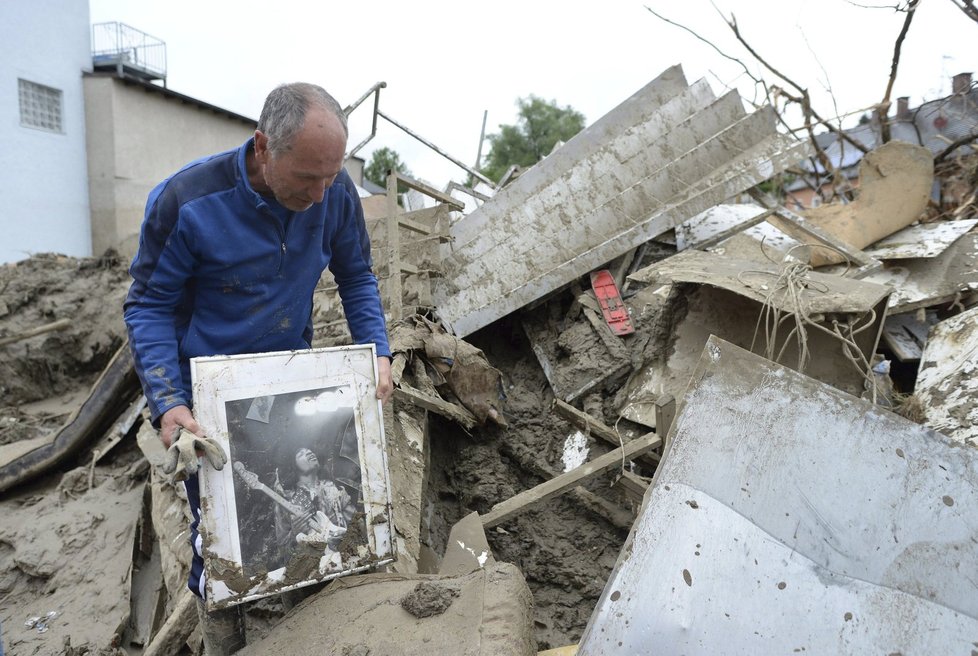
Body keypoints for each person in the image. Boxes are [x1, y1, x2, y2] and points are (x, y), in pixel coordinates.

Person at [124, 82, 393, 655]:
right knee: (219, 534)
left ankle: (304, 631)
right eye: (306, 179)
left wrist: (378, 351)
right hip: (208, 396)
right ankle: (227, 637)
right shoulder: (186, 201)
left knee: (306, 516)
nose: (323, 195)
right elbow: (148, 306)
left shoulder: (333, 191)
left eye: (332, 176)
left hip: (286, 379)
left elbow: (358, 276)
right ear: (263, 147)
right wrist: (169, 402)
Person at [273, 448, 356, 551]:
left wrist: (345, 537)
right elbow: (282, 551)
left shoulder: (335, 489)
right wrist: (294, 534)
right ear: (293, 466)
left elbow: (357, 525)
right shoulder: (286, 501)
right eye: (301, 454)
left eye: (309, 450)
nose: (309, 452)